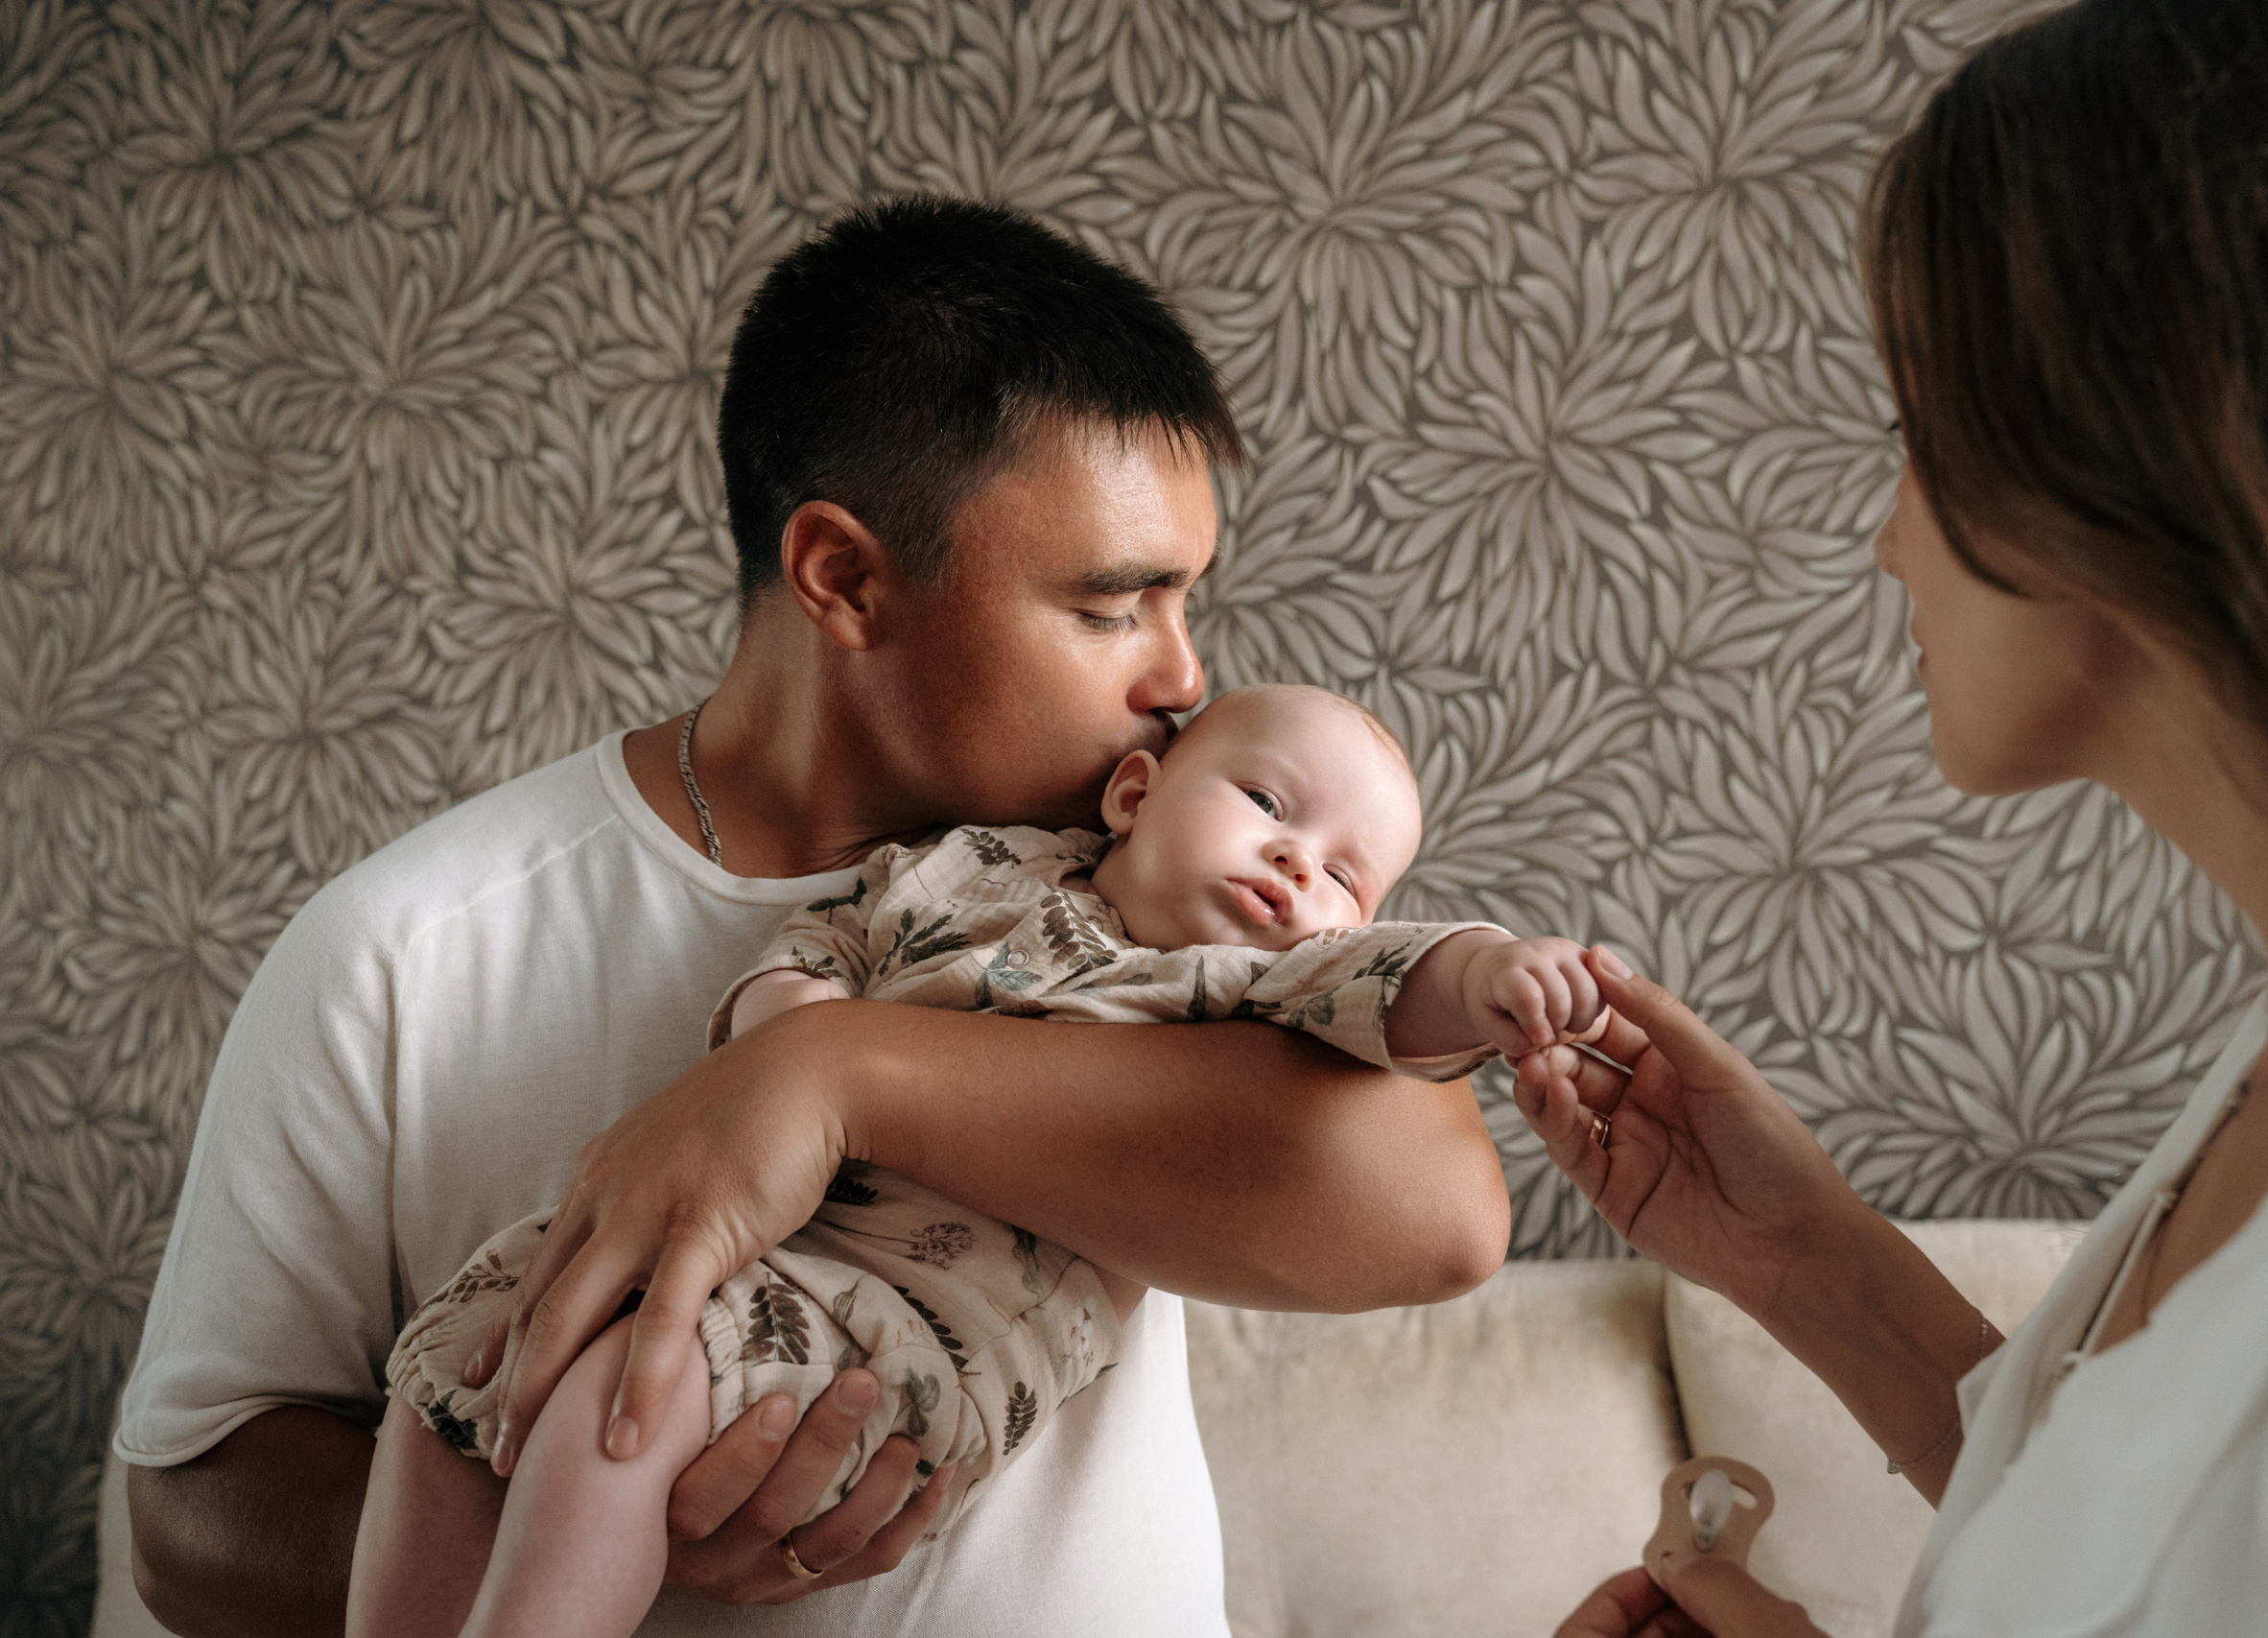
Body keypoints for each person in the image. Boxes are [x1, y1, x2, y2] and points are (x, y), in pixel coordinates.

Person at [116, 199, 1511, 1638]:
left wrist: (830, 1075)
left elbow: (1441, 1214)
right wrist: (607, 1513)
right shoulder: (405, 951)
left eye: (1186, 598)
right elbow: (186, 1516)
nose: (1182, 676)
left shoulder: (1157, 894)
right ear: (842, 577)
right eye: (1114, 608)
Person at [1531, 3, 2268, 1634]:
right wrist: (1806, 1258)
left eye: (1914, 436)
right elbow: (2157, 1539)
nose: (1889, 542)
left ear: (2122, 437)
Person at [347, 682, 1604, 1638]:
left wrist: (1490, 971)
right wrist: (780, 1015)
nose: (1294, 865)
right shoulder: (970, 866)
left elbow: (1394, 986)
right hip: (741, 1243)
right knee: (461, 1370)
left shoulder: (1248, 998)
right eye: (1269, 806)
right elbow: (834, 941)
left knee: (626, 1392)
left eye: (1345, 874)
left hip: (917, 1322)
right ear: (1132, 797)